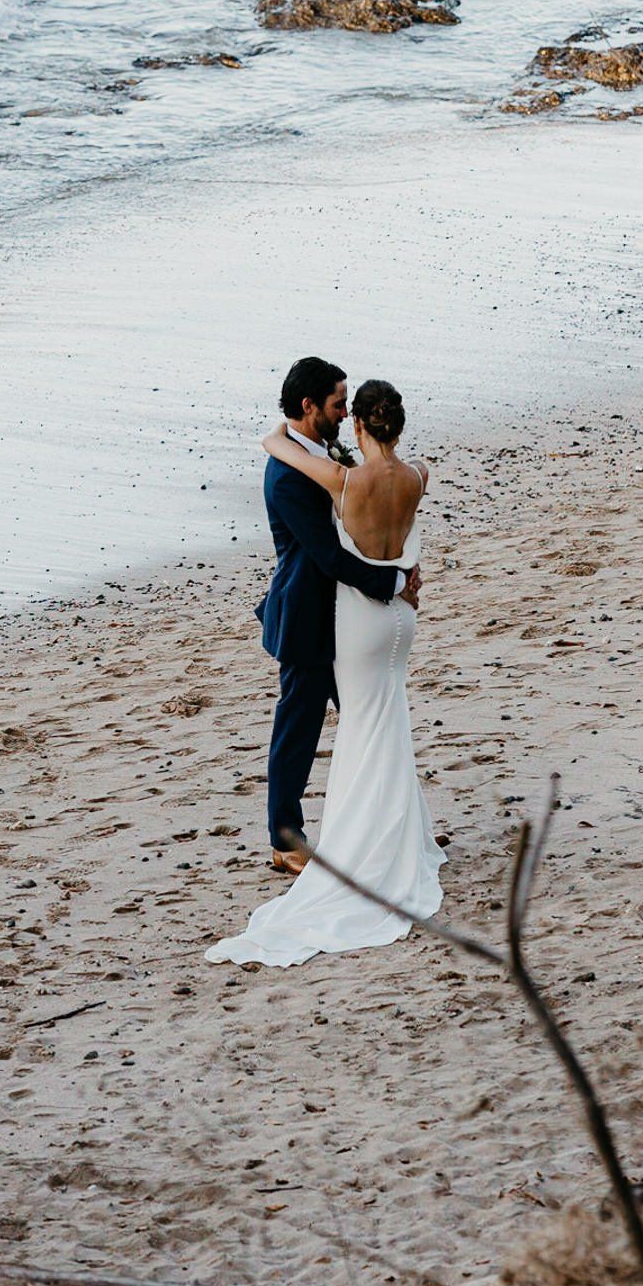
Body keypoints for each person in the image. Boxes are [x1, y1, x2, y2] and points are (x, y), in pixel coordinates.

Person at [207, 373, 440, 968]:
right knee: (308, 721)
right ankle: (288, 838)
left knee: (368, 723)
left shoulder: (332, 464)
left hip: (355, 620)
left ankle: (391, 835)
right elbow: (326, 555)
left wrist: (277, 436)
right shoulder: (295, 475)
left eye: (348, 407)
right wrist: (396, 581)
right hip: (317, 615)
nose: (341, 414)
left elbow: (338, 523)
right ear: (311, 406)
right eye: (335, 404)